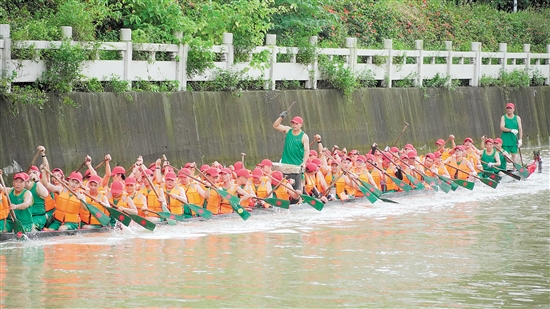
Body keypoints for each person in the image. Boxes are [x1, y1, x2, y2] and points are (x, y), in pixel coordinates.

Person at [273, 112, 310, 190]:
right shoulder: (288, 130)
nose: (294, 125)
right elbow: (275, 126)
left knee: (296, 187)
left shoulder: (304, 136)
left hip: (297, 164)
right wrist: (281, 117)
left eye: (296, 124)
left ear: (300, 125)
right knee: (285, 186)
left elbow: (307, 151)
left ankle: (299, 199)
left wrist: (304, 163)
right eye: (293, 123)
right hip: (285, 162)